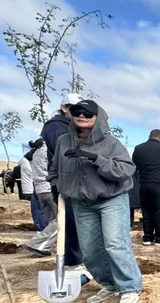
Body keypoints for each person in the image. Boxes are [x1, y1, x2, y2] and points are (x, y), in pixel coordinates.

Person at [48, 100, 142, 303]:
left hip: (111, 200)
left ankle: (129, 287)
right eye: (76, 112)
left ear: (98, 117)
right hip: (81, 203)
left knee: (115, 244)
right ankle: (109, 285)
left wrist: (96, 159)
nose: (82, 115)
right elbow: (55, 168)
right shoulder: (64, 141)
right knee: (90, 250)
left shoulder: (111, 143)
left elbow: (126, 170)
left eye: (88, 113)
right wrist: (57, 184)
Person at [41, 92, 86, 272]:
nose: (80, 115)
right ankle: (72, 261)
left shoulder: (70, 126)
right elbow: (64, 154)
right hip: (65, 181)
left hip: (77, 180)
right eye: (75, 110)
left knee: (77, 221)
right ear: (64, 108)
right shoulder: (55, 128)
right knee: (70, 222)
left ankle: (77, 258)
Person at [132, 129, 160, 246]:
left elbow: (134, 165)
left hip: (144, 183)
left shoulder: (138, 148)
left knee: (147, 211)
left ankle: (147, 238)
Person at [26, 140, 48, 230]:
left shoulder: (34, 154)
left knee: (41, 212)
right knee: (53, 214)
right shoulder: (47, 151)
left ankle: (42, 230)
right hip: (47, 186)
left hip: (37, 187)